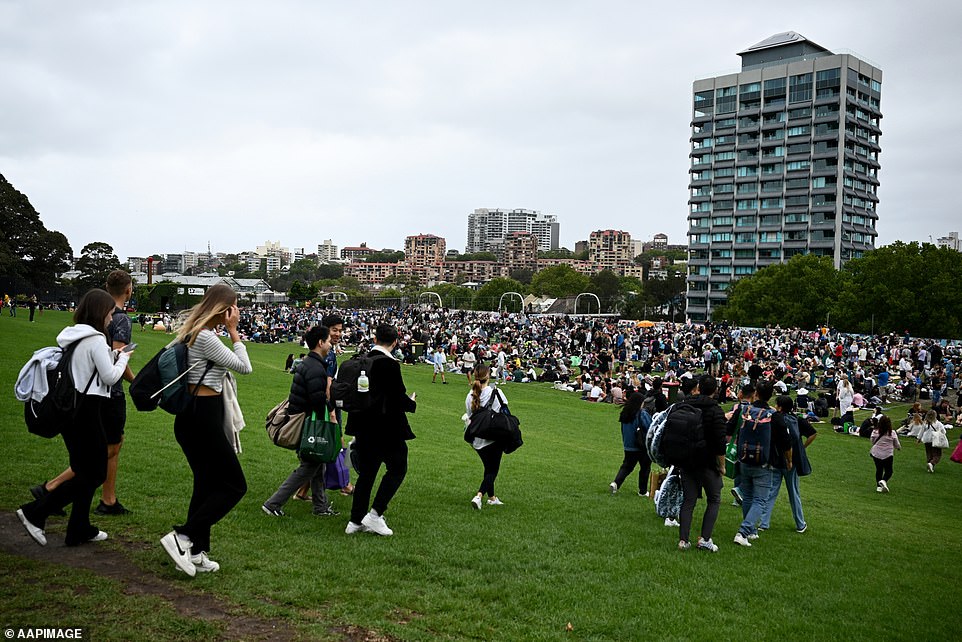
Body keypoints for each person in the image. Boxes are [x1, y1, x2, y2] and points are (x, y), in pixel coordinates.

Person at [17, 289, 132, 547]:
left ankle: (79, 527)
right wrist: (123, 358)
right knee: (94, 473)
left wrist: (112, 358)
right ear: (101, 312)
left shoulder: (77, 337)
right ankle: (35, 512)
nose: (112, 320)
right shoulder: (95, 340)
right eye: (110, 314)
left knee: (85, 469)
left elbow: (91, 368)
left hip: (74, 409)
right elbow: (110, 377)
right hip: (87, 411)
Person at [160, 284, 252, 577]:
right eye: (233, 307)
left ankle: (197, 549)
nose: (235, 313)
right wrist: (235, 332)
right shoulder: (206, 337)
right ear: (224, 309)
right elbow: (244, 367)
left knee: (206, 483)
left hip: (193, 416)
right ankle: (183, 537)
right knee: (235, 485)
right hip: (203, 416)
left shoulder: (196, 332)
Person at [345, 324, 417, 536]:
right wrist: (411, 403)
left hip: (362, 425)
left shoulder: (362, 360)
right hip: (386, 426)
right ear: (395, 342)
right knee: (398, 467)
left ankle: (355, 520)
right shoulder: (389, 365)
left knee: (367, 473)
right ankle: (375, 514)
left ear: (375, 338)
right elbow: (397, 396)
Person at [262, 326, 338, 517]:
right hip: (307, 423)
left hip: (301, 418)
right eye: (328, 341)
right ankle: (273, 504)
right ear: (320, 343)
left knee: (317, 464)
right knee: (309, 466)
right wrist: (329, 415)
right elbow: (317, 399)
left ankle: (320, 507)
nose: (330, 345)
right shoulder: (316, 368)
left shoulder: (307, 363)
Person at [730, 381, 791, 547]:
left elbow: (729, 429)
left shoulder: (744, 410)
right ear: (771, 396)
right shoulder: (773, 415)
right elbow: (786, 442)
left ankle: (751, 531)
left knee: (748, 496)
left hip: (744, 460)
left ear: (755, 393)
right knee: (760, 500)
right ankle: (743, 532)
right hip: (764, 462)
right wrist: (789, 460)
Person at [677, 375, 727, 553]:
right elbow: (720, 443)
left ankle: (683, 540)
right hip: (707, 460)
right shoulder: (715, 410)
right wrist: (722, 465)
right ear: (715, 390)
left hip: (686, 457)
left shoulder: (685, 404)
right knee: (714, 499)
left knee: (688, 500)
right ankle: (705, 539)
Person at [759, 396, 816, 534]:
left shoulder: (775, 419)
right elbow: (813, 433)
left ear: (779, 407)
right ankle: (800, 523)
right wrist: (802, 447)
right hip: (792, 461)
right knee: (794, 492)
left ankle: (763, 522)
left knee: (771, 491)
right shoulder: (797, 420)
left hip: (777, 459)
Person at [465, 365, 508, 509]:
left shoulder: (470, 395)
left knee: (488, 468)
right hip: (494, 438)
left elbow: (470, 416)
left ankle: (492, 497)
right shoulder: (496, 392)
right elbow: (505, 411)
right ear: (488, 376)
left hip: (477, 440)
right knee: (492, 471)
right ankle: (479, 495)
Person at [609, 392, 651, 497]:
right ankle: (643, 491)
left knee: (626, 466)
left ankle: (616, 483)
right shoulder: (642, 414)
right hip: (641, 446)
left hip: (628, 446)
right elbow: (650, 427)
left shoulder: (625, 413)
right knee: (645, 468)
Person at [870, 415, 901, 492]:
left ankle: (878, 486)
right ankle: (884, 481)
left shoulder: (875, 431)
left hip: (876, 453)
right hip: (888, 454)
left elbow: (872, 441)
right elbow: (896, 444)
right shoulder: (892, 433)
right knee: (889, 470)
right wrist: (898, 448)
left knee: (879, 469)